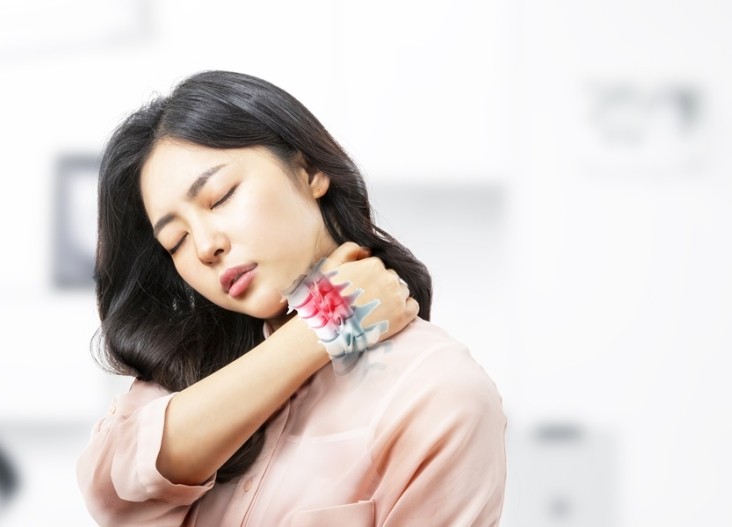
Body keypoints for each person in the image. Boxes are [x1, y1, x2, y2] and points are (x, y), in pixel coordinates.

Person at [76, 70, 506, 526]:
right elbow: (113, 494)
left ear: (309, 171)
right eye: (176, 241)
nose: (205, 246)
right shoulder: (189, 362)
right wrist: (324, 324)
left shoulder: (437, 391)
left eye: (220, 197)